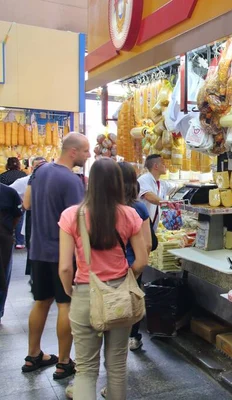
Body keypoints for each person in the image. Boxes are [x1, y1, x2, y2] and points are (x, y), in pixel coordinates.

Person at [58, 158, 148, 399]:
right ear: (118, 184)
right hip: (119, 294)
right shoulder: (130, 214)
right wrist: (129, 277)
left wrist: (71, 290)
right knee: (117, 366)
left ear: (91, 183)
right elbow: (141, 259)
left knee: (86, 369)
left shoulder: (71, 215)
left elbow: (65, 267)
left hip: (85, 293)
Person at [22, 133, 90, 380]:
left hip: (37, 250)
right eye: (86, 151)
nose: (88, 155)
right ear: (73, 151)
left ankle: (33, 355)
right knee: (65, 304)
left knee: (40, 301)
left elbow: (27, 204)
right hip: (61, 253)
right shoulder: (72, 181)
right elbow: (79, 222)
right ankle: (63, 362)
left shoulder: (39, 171)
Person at [118, 162, 152, 351]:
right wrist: (138, 268)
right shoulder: (138, 208)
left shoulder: (101, 207)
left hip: (109, 268)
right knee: (133, 303)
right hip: (132, 265)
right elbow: (147, 243)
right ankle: (132, 337)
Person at [11, 157, 46, 276]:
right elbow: (9, 192)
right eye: (37, 167)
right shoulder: (24, 181)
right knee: (33, 247)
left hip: (48, 219)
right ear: (32, 168)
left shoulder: (53, 180)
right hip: (33, 217)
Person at [0, 183, 22, 323]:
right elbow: (16, 217)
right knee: (3, 275)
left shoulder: (9, 192)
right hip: (4, 238)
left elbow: (17, 216)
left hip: (4, 240)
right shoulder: (9, 192)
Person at [1, 158, 27, 249]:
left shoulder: (3, 176)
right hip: (20, 200)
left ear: (7, 165)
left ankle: (8, 234)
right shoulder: (23, 174)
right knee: (19, 219)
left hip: (6, 201)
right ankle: (20, 241)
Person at [138, 154, 168, 230]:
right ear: (156, 166)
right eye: (163, 163)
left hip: (151, 225)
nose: (166, 166)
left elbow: (176, 187)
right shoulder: (144, 179)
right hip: (141, 225)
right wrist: (168, 204)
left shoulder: (160, 183)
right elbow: (149, 196)